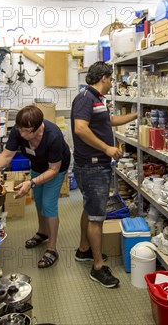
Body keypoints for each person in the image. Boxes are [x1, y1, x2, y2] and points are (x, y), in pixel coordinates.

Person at [71, 61, 137, 288]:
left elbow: (109, 122)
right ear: (105, 78)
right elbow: (80, 128)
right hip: (92, 165)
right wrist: (107, 148)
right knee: (97, 217)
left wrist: (136, 114)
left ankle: (84, 250)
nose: (112, 83)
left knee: (90, 209)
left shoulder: (98, 100)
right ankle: (98, 266)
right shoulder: (85, 98)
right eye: (111, 79)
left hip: (95, 165)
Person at [0, 105, 70, 268]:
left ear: (39, 126)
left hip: (55, 168)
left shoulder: (53, 136)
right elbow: (7, 155)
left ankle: (52, 248)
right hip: (37, 165)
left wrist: (31, 182)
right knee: (38, 200)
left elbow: (53, 170)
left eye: (27, 131)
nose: (22, 135)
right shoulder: (19, 131)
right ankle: (42, 232)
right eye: (20, 130)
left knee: (48, 204)